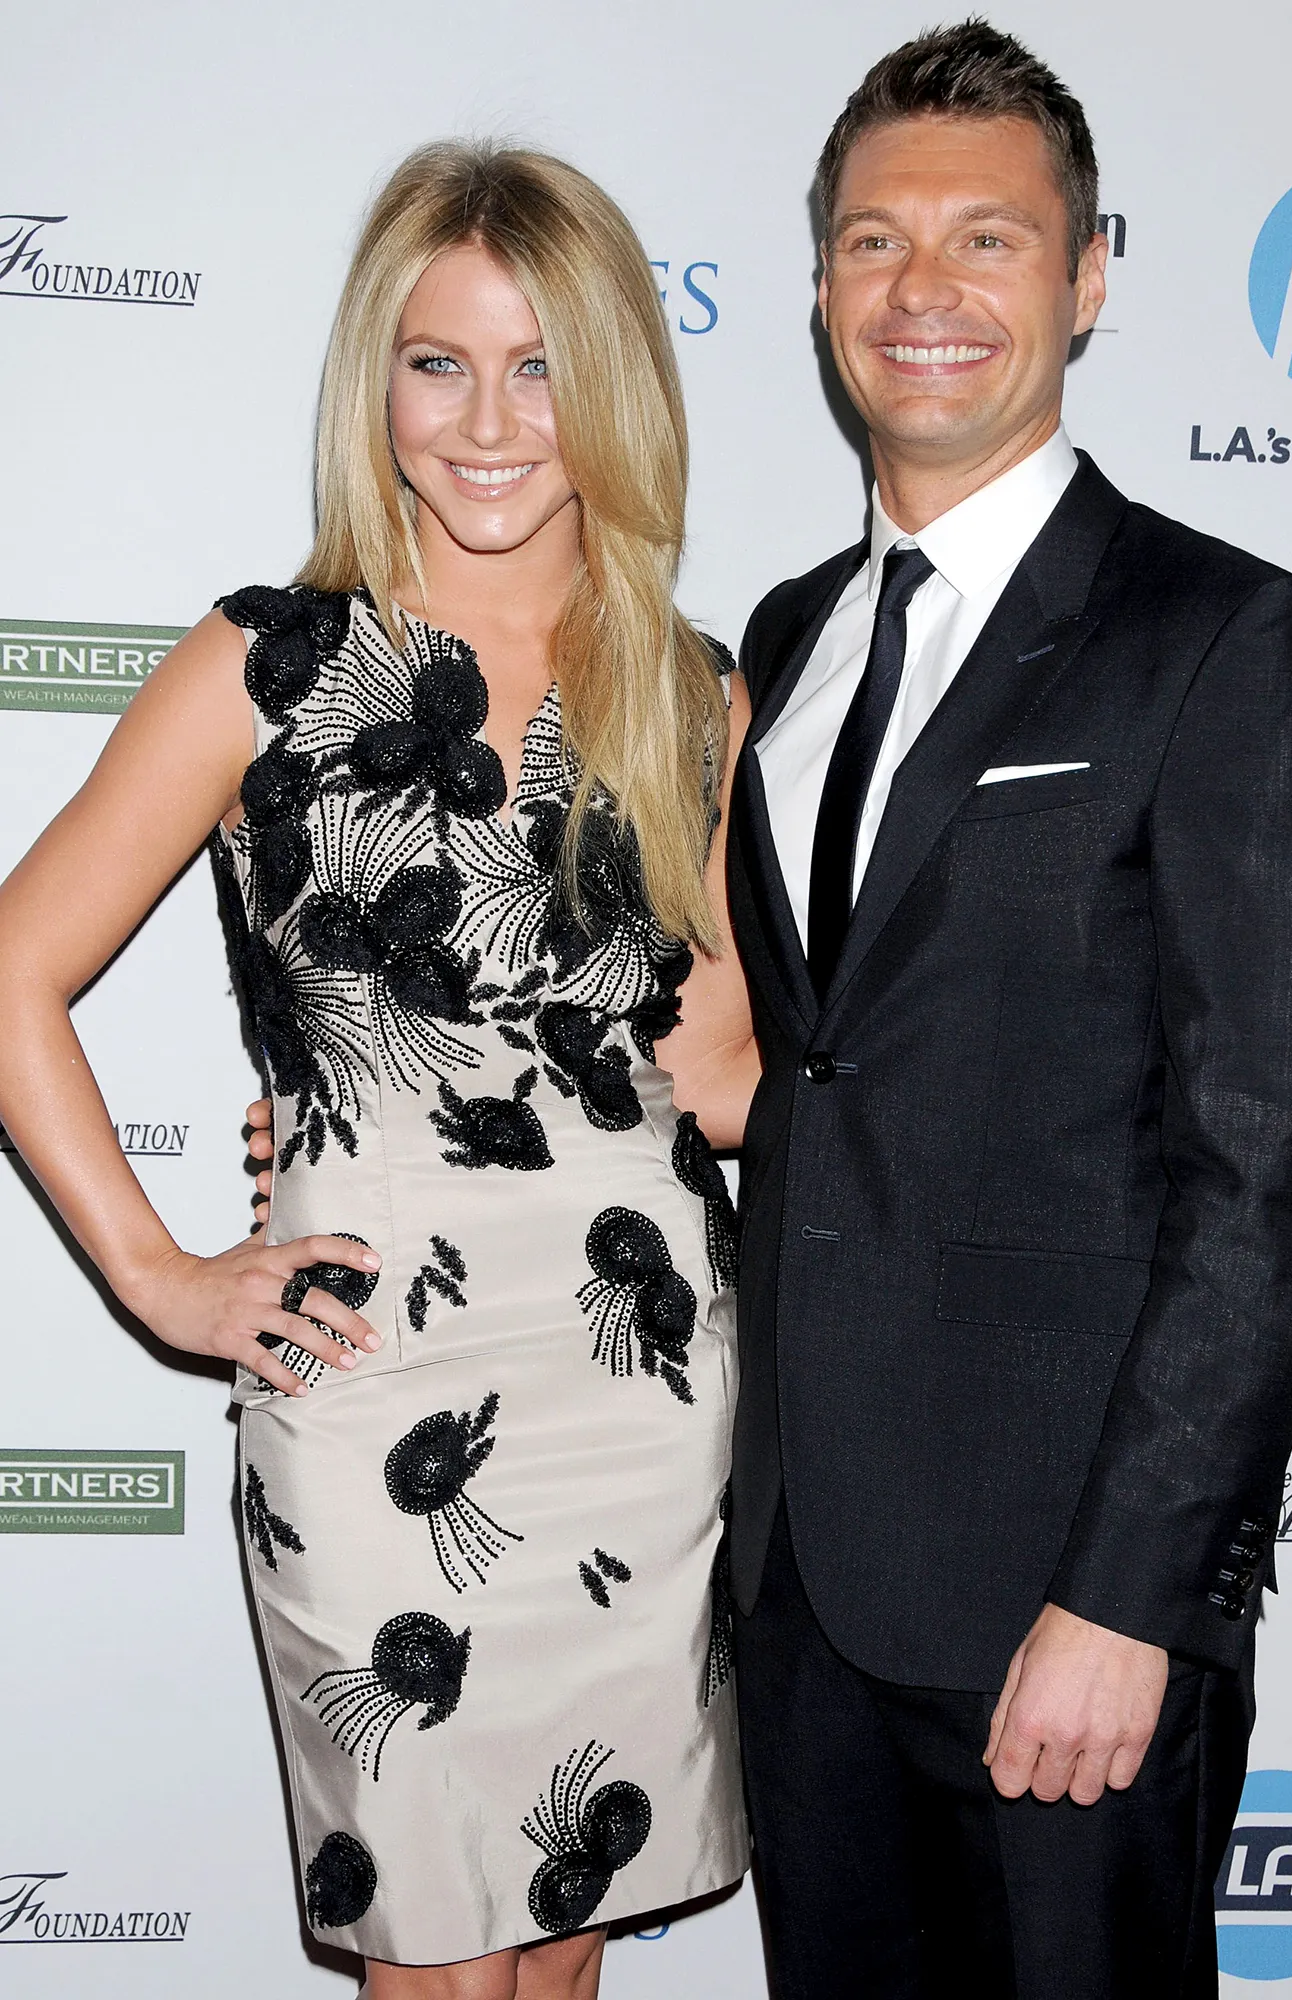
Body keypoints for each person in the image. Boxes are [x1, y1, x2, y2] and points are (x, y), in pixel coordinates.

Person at [0, 142, 757, 2000]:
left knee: (563, 1947)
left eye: (541, 366)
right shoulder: (271, 665)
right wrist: (161, 1275)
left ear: (616, 385)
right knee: (431, 1954)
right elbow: (15, 968)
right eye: (439, 363)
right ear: (377, 381)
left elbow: (723, 1068)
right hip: (366, 1380)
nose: (487, 423)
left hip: (638, 1384)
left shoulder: (690, 689)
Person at [722, 23, 1292, 1998]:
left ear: (1087, 278)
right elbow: (792, 1065)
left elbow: (1261, 1172)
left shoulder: (1229, 636)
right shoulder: (786, 638)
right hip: (803, 1587)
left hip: (1062, 1606)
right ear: (819, 284)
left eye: (986, 239)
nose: (920, 290)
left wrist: (1130, 1596)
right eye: (873, 241)